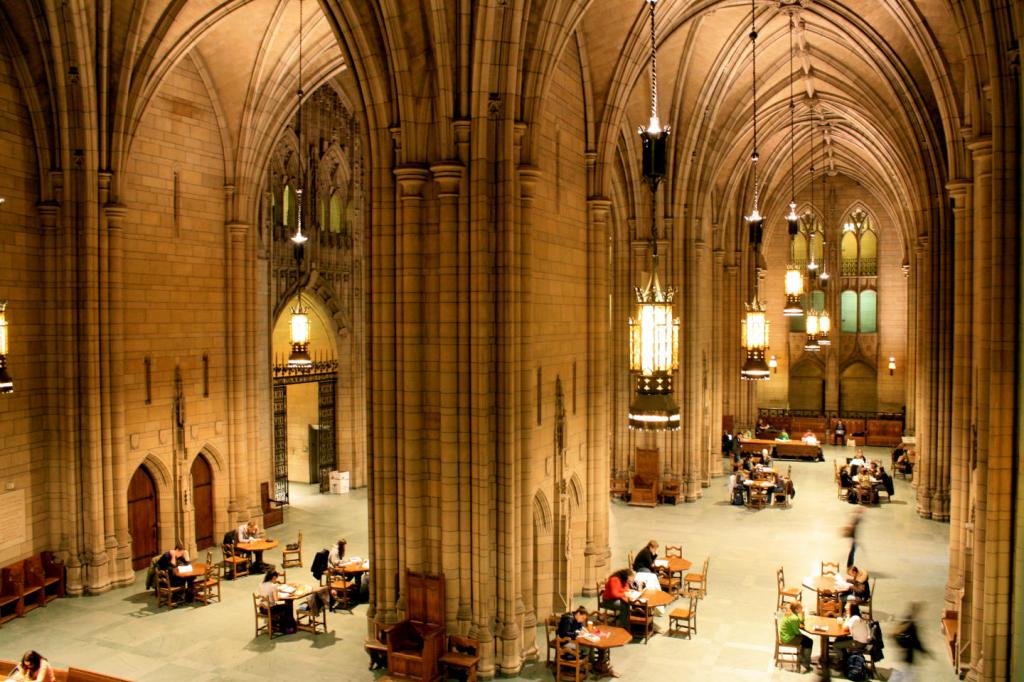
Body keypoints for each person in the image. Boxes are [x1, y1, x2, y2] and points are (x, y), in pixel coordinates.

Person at [778, 601, 813, 674]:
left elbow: (800, 622)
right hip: (788, 638)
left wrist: (802, 615)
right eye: (801, 608)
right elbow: (797, 632)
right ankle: (805, 662)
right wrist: (802, 635)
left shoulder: (792, 613)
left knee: (806, 640)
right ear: (796, 609)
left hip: (785, 634)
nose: (802, 608)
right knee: (809, 641)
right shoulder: (794, 618)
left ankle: (802, 658)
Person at [258, 569, 295, 634]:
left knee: (281, 607)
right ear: (273, 577)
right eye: (276, 578)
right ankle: (287, 627)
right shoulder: (273, 586)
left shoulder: (261, 584)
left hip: (262, 608)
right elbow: (276, 599)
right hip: (270, 609)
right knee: (287, 607)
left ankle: (276, 624)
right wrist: (284, 594)